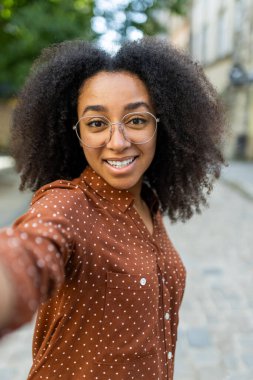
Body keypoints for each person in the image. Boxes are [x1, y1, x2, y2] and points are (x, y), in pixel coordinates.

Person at [0, 37, 226, 379]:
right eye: (96, 123)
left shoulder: (149, 203)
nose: (118, 142)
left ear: (161, 126)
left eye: (136, 120)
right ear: (74, 132)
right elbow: (30, 252)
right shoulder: (67, 204)